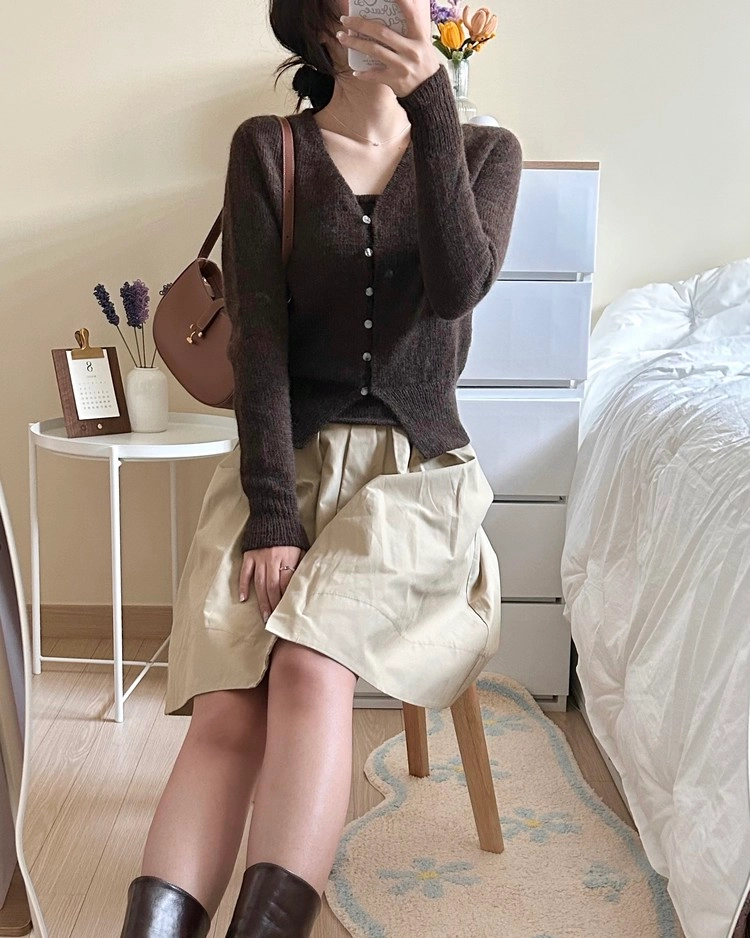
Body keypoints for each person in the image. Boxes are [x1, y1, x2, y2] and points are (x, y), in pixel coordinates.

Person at [118, 0, 523, 935]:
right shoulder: (268, 149)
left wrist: (434, 108)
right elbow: (257, 343)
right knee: (228, 708)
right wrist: (271, 516)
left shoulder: (482, 152)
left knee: (307, 666)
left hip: (415, 475)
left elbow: (459, 288)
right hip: (282, 462)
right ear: (319, 21)